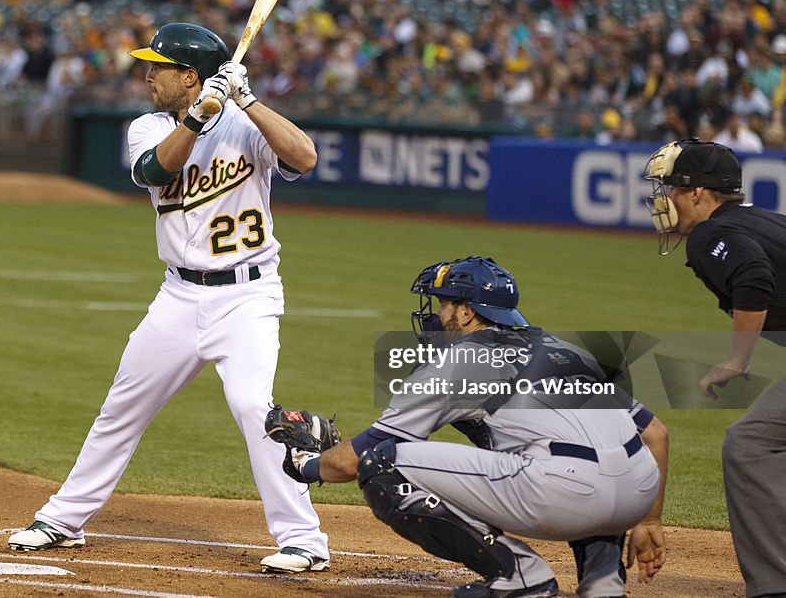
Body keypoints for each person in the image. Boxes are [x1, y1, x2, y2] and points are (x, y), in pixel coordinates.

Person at [8, 22, 329, 573]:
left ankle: (304, 540)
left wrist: (245, 100)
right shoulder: (148, 126)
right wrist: (201, 115)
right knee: (122, 406)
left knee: (255, 407)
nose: (148, 75)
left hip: (247, 297)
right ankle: (64, 518)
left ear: (189, 74)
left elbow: (304, 158)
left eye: (159, 67)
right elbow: (154, 169)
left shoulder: (246, 124)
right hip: (178, 298)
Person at [274, 256, 668, 598]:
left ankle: (521, 574)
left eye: (444, 304)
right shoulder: (566, 349)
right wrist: (649, 521)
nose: (435, 315)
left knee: (382, 465)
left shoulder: (459, 361)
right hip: (637, 491)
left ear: (467, 313)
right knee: (596, 459)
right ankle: (603, 584)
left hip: (566, 493)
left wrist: (306, 463)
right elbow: (655, 435)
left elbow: (356, 460)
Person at [644, 139, 786, 597]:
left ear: (699, 193)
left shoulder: (711, 234)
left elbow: (752, 275)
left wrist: (737, 359)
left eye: (670, 187)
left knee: (749, 445)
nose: (663, 198)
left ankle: (774, 587)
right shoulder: (766, 219)